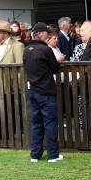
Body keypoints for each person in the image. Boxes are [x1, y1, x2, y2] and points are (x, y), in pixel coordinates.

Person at [23, 22, 62, 163]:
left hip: (33, 90)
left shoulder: (27, 49)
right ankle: (53, 155)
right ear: (40, 34)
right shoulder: (45, 50)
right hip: (46, 91)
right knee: (50, 123)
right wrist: (59, 61)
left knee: (36, 123)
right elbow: (55, 68)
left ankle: (35, 155)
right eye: (46, 32)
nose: (48, 35)